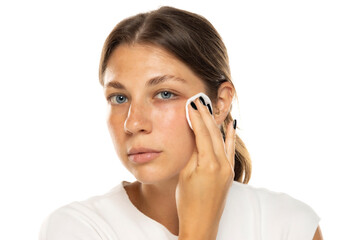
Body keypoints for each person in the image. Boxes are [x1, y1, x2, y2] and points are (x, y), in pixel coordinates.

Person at [39, 6, 322, 240]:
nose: (133, 123)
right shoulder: (76, 228)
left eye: (164, 94)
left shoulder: (290, 225)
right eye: (119, 98)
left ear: (220, 104)